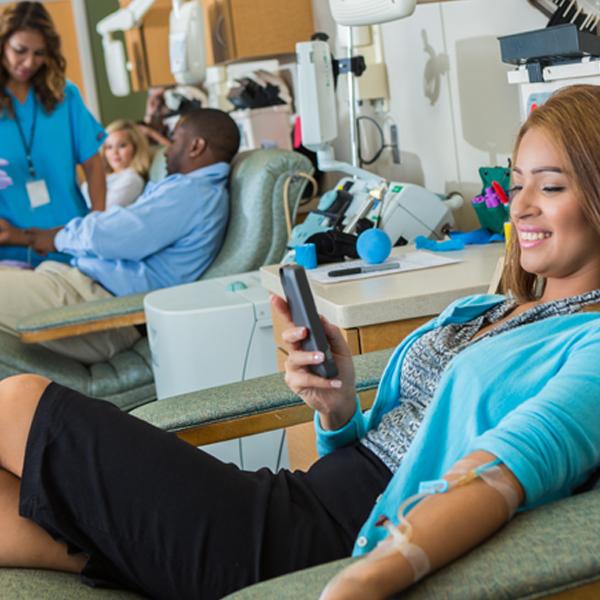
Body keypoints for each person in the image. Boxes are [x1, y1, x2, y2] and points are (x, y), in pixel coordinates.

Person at [0, 84, 600, 600]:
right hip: (297, 498)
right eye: (516, 184)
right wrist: (339, 409)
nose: (519, 205)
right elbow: (398, 438)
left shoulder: (592, 343)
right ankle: (128, 560)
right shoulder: (491, 310)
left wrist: (369, 577)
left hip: (317, 544)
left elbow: (501, 471)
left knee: (17, 401)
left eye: (549, 188)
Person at [0, 107, 240, 364]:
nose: (167, 150)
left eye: (174, 141)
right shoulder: (191, 191)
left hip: (98, 306)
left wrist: (46, 238)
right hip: (81, 290)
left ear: (196, 147)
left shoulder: (192, 193)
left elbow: (107, 237)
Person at [0, 2, 107, 266]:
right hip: (12, 250)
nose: (29, 62)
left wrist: (98, 223)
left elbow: (94, 165)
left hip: (71, 240)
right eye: (20, 50)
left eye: (39, 53)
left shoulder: (65, 96)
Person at [81, 120, 151, 210]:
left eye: (122, 145)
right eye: (109, 147)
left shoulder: (132, 179)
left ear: (136, 148)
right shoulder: (105, 176)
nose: (115, 152)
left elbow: (102, 210)